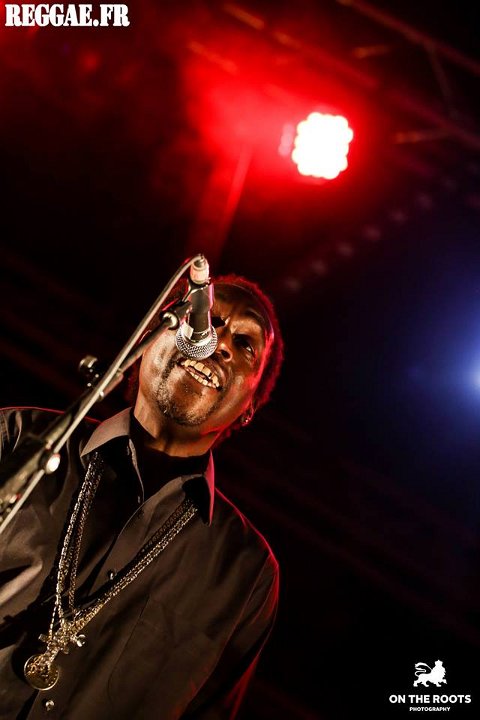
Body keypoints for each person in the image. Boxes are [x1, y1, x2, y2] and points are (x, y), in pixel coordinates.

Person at [0, 273, 284, 719]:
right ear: (147, 339)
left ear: (249, 408)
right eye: (202, 318)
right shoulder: (15, 438)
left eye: (245, 343)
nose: (216, 341)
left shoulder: (248, 575)